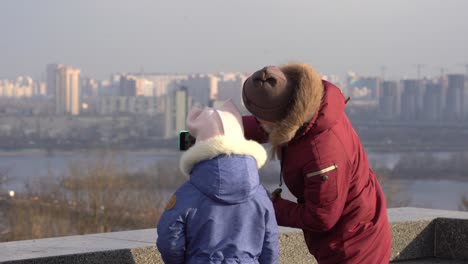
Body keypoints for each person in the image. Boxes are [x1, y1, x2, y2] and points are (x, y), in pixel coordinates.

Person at [241, 63, 392, 264]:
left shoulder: (322, 156)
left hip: (353, 249)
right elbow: (267, 126)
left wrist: (268, 206)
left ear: (278, 119)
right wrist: (215, 129)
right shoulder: (310, 106)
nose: (259, 121)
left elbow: (320, 217)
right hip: (353, 232)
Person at [156, 100, 279, 264]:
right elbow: (270, 242)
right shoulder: (260, 194)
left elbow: (169, 239)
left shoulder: (187, 194)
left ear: (200, 146)